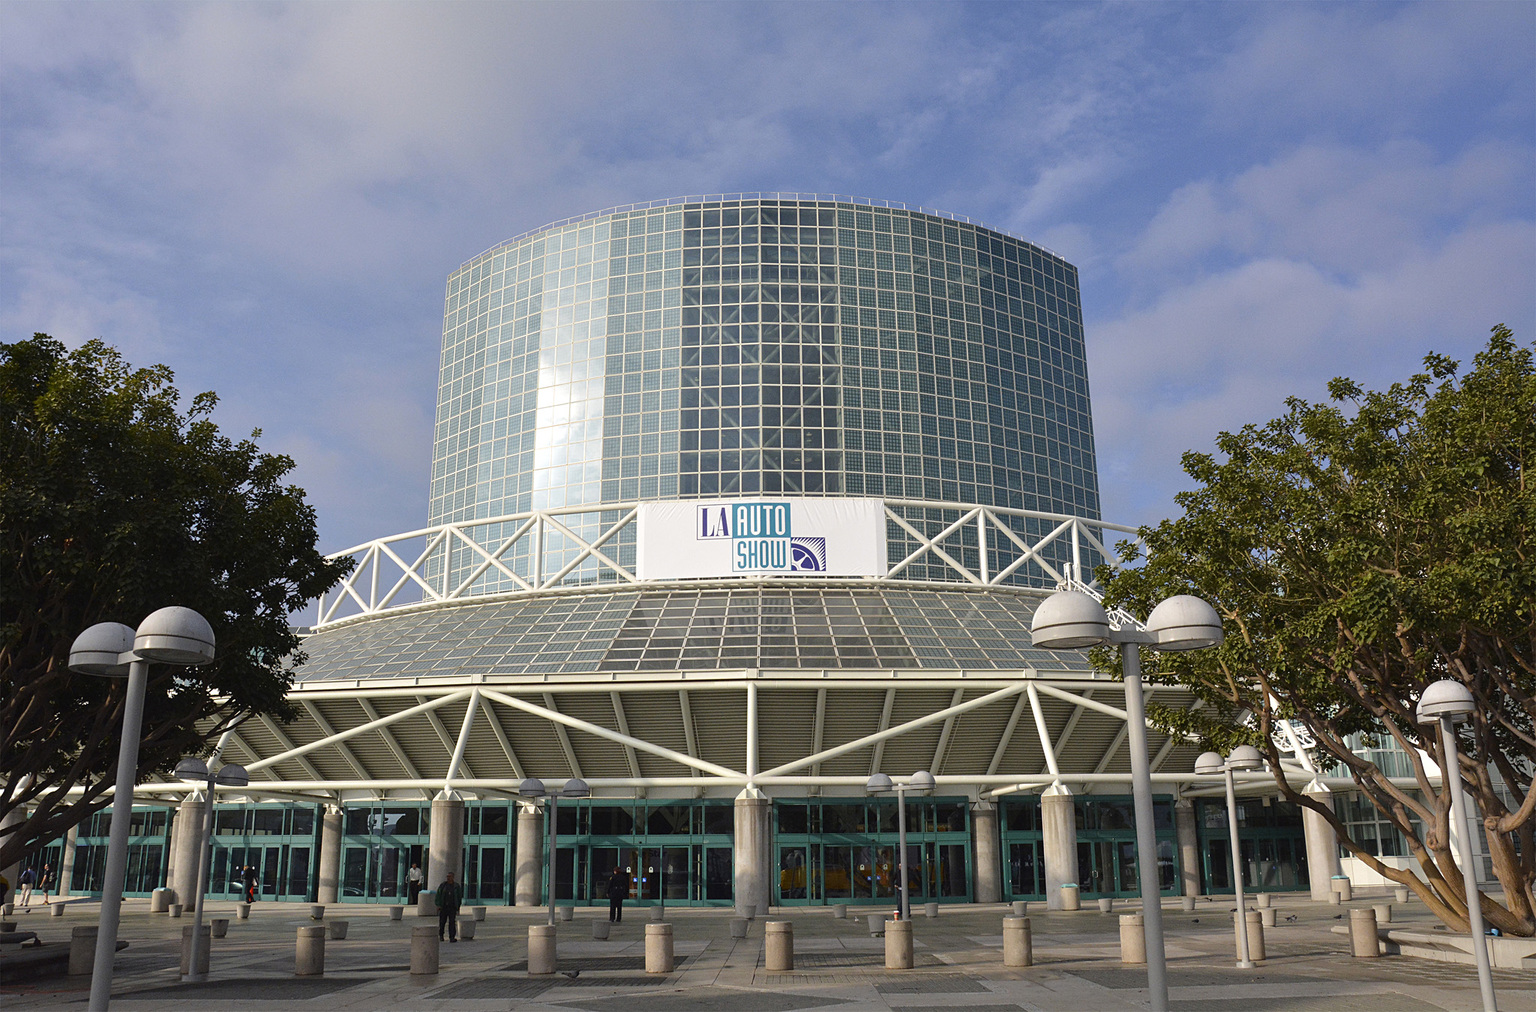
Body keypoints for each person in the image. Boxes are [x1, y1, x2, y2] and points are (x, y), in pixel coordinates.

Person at [435, 871, 462, 942]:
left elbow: (459, 897)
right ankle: (441, 935)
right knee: (442, 922)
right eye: (447, 877)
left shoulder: (456, 886)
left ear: (453, 877)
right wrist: (438, 905)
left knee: (452, 922)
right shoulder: (443, 885)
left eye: (450, 877)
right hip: (443, 907)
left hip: (452, 907)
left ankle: (452, 936)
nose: (448, 878)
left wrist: (458, 907)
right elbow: (438, 895)